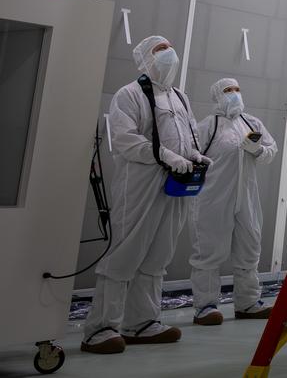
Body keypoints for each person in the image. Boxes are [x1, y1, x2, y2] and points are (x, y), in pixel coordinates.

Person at [81, 35, 210, 354]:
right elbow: (125, 138)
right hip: (140, 185)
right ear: (144, 59)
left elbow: (188, 131)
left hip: (175, 184)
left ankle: (141, 323)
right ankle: (100, 328)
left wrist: (194, 154)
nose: (169, 54)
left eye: (170, 48)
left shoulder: (180, 97)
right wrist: (165, 156)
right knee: (125, 254)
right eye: (159, 50)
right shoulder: (130, 94)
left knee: (157, 255)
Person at [189, 78, 278, 326]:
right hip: (213, 199)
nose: (235, 94)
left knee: (249, 249)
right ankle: (205, 307)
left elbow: (272, 149)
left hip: (247, 198)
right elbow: (192, 152)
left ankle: (248, 303)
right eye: (228, 90)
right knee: (209, 251)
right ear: (218, 96)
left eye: (237, 89)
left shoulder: (252, 122)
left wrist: (258, 150)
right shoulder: (209, 126)